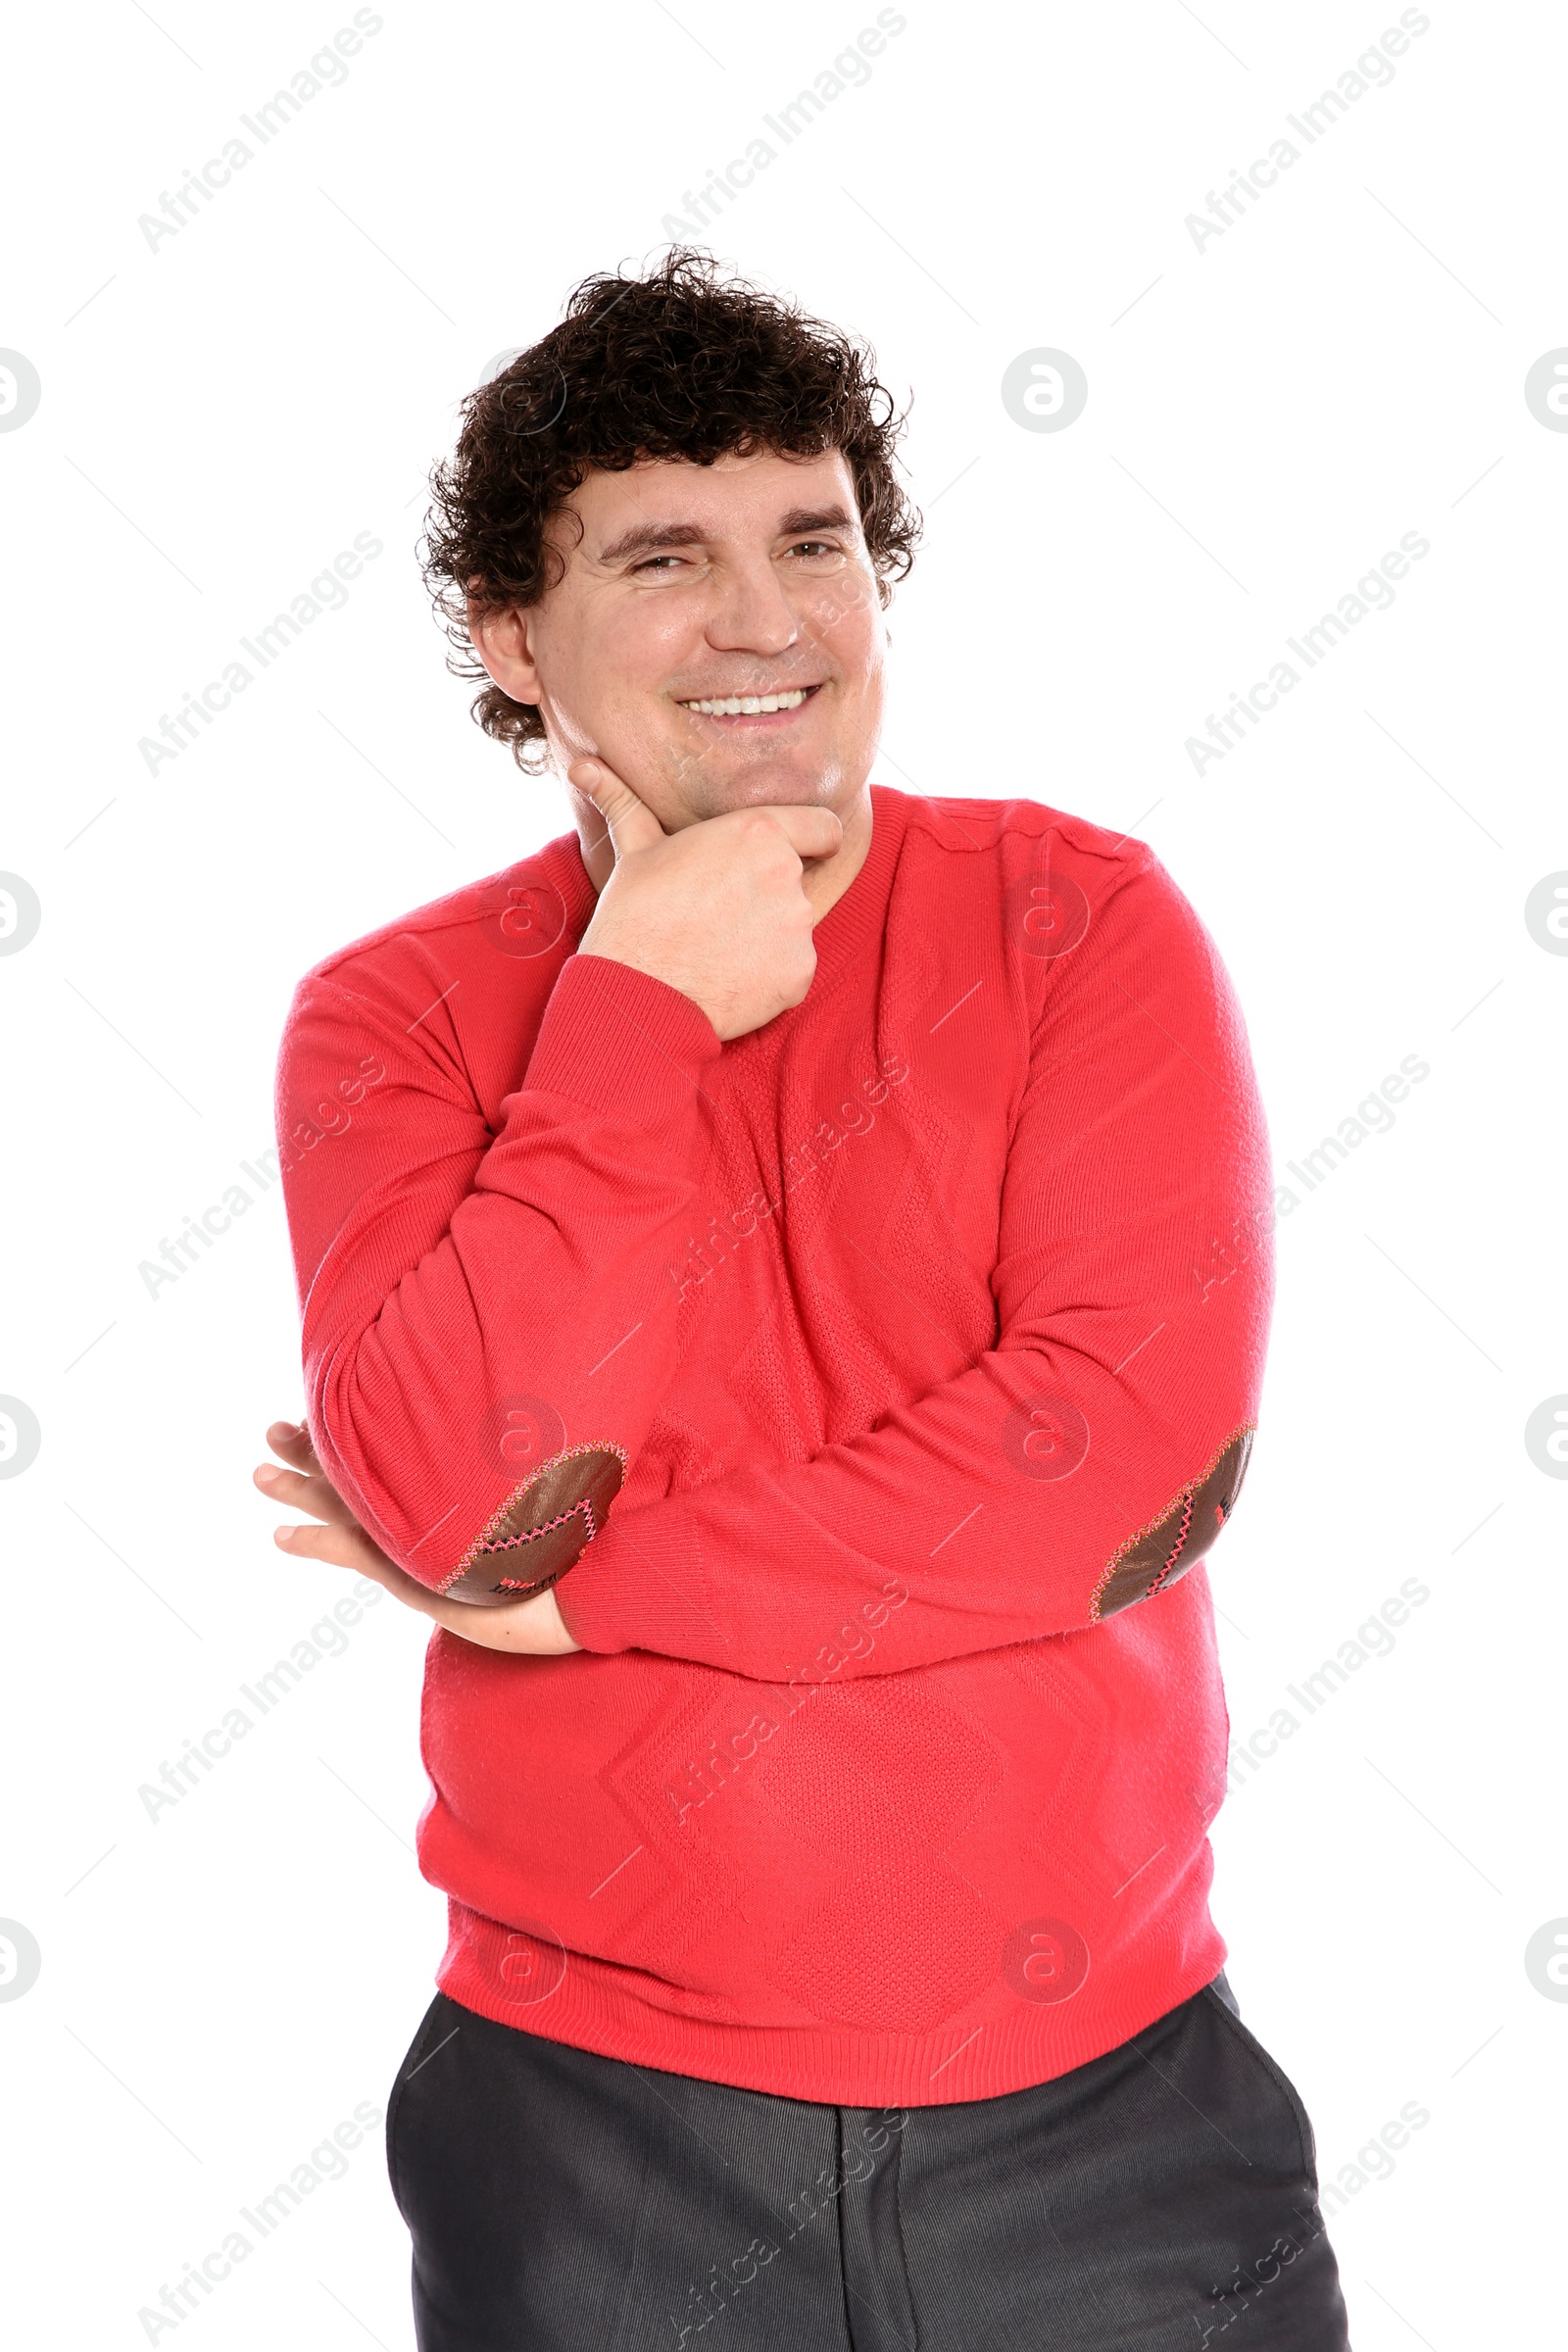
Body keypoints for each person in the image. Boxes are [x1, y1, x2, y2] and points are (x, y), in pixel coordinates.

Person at [254, 250, 1349, 2349]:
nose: (765, 620)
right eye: (664, 555)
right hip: (592, 2149)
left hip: (1110, 2114)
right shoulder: (387, 1023)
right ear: (515, 639)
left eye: (811, 541)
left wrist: (585, 1592)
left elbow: (1132, 1471)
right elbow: (466, 1508)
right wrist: (636, 1005)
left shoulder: (1078, 926)